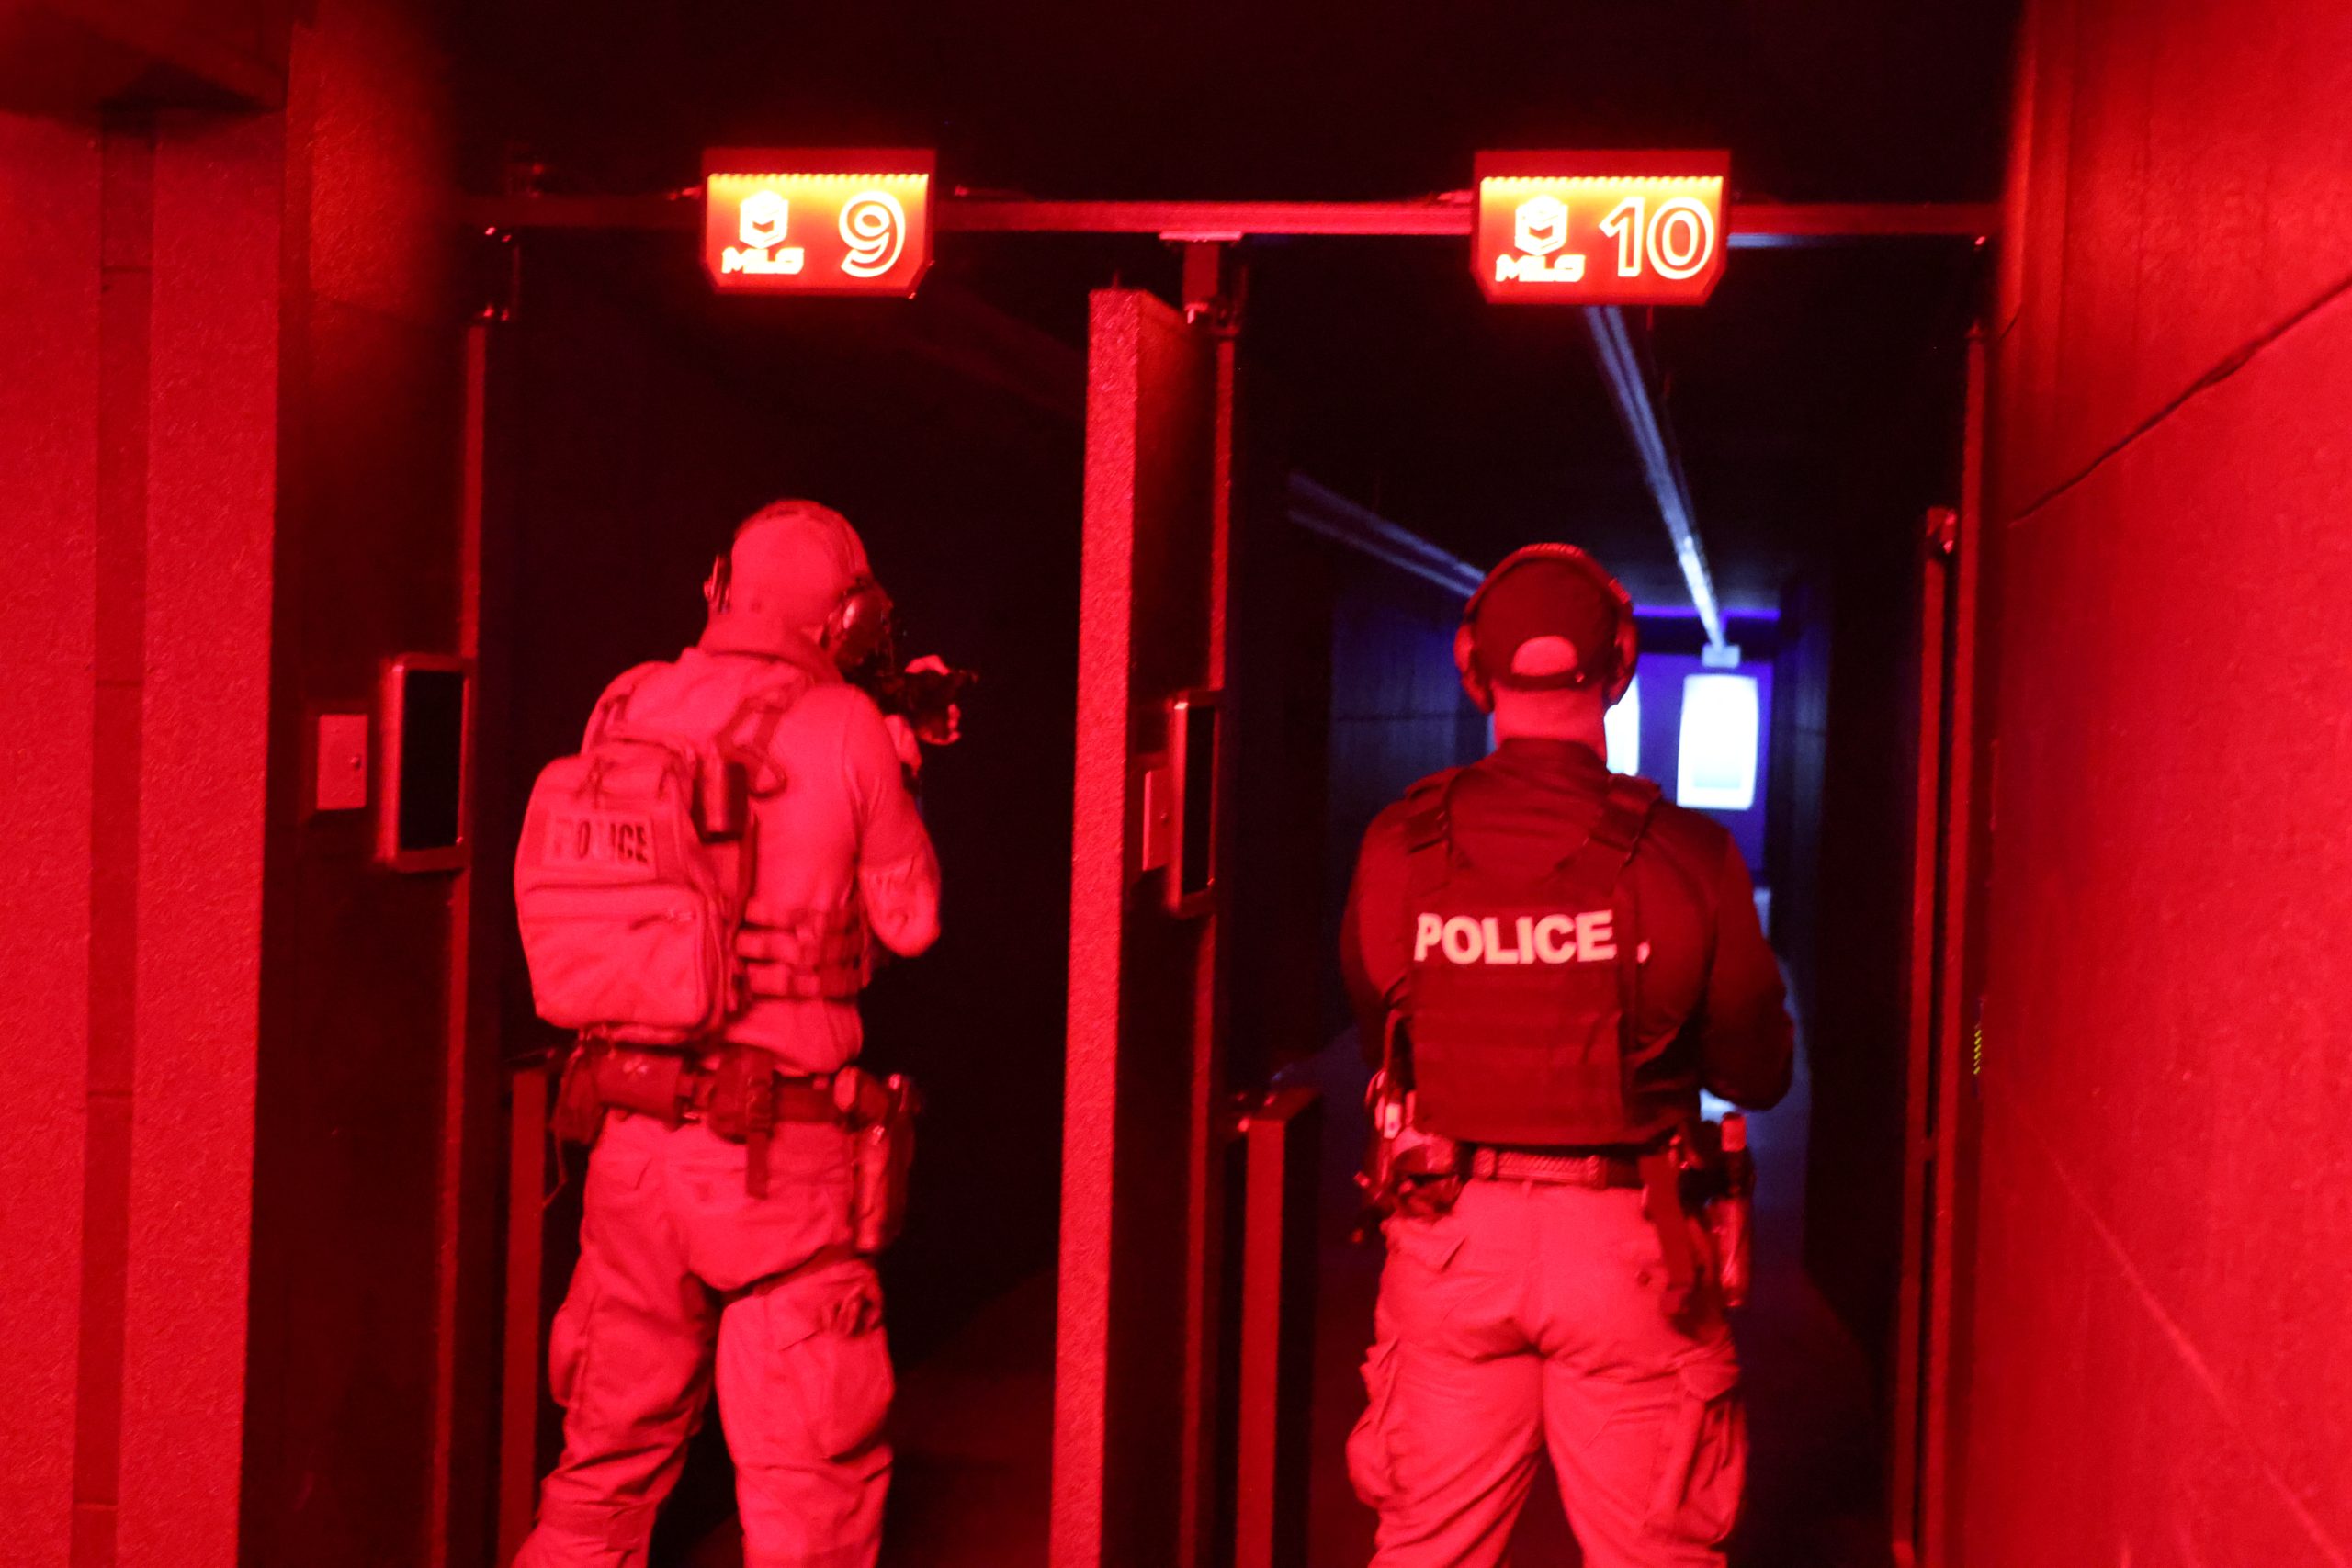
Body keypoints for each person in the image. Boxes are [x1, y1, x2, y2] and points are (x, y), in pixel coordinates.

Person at [1340, 544, 1793, 1568]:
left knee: (1424, 1551)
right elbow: (1758, 1072)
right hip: (1637, 1250)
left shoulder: (1396, 847)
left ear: (1470, 666)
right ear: (1622, 664)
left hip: (1448, 1239)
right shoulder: (1687, 854)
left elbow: (1389, 1042)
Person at [514, 500, 946, 1568]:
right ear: (844, 618)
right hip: (774, 1169)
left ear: (719, 586)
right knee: (808, 1505)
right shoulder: (843, 724)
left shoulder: (623, 706)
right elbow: (910, 921)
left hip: (628, 1143)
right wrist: (898, 771)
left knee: (600, 1474)